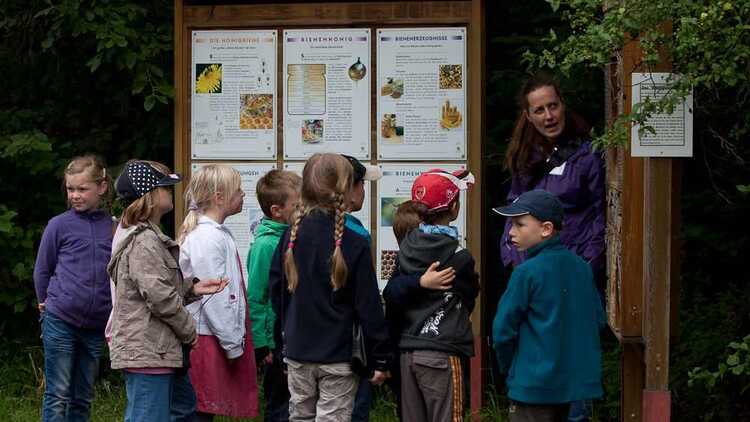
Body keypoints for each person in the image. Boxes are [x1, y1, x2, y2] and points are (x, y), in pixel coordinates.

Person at [500, 73, 606, 421]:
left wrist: (583, 268)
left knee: (569, 358)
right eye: (539, 109)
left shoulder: (588, 153)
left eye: (553, 106)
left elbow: (600, 215)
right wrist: (516, 261)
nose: (548, 116)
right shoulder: (525, 156)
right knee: (537, 348)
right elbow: (513, 212)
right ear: (527, 116)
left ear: (563, 105)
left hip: (573, 267)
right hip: (532, 271)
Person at [269, 153, 391, 422]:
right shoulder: (354, 243)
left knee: (299, 417)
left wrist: (282, 344)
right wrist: (379, 358)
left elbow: (278, 295)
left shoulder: (290, 237)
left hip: (298, 351)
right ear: (345, 189)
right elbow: (369, 307)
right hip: (338, 354)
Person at [107, 160, 227, 422]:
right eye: (164, 187)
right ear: (149, 196)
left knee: (182, 408)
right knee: (148, 416)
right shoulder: (144, 242)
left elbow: (156, 286)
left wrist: (191, 288)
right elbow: (159, 298)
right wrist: (189, 331)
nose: (170, 191)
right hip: (148, 352)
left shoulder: (150, 237)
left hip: (159, 350)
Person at [493, 189, 604, 422]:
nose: (511, 232)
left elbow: (503, 331)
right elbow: (598, 320)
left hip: (533, 388)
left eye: (520, 225)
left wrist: (511, 369)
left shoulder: (526, 272)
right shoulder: (582, 268)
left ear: (546, 229)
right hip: (576, 388)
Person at [383, 169, 479, 422]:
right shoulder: (460, 258)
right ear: (455, 207)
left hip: (407, 351)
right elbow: (469, 296)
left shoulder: (406, 249)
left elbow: (390, 293)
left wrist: (418, 283)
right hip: (443, 349)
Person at [33, 155, 114, 422]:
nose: (75, 195)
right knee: (57, 394)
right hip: (60, 319)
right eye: (70, 189)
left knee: (83, 395)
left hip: (96, 324)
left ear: (101, 187)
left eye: (82, 189)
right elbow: (43, 269)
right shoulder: (59, 225)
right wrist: (44, 302)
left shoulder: (113, 227)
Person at [177, 164, 258, 421]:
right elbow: (215, 297)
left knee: (204, 411)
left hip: (214, 335)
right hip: (206, 337)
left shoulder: (217, 234)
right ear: (219, 197)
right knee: (198, 411)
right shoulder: (206, 238)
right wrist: (233, 344)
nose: (243, 195)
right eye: (238, 190)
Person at [246, 169, 302, 422]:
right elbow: (257, 297)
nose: (303, 209)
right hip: (273, 341)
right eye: (297, 205)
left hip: (289, 337)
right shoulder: (266, 245)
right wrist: (262, 344)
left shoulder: (293, 237)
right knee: (279, 406)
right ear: (277, 210)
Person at [341, 154, 382, 422]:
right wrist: (379, 355)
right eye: (361, 184)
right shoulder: (356, 236)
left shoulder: (300, 228)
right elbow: (366, 300)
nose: (364, 191)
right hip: (351, 346)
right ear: (348, 188)